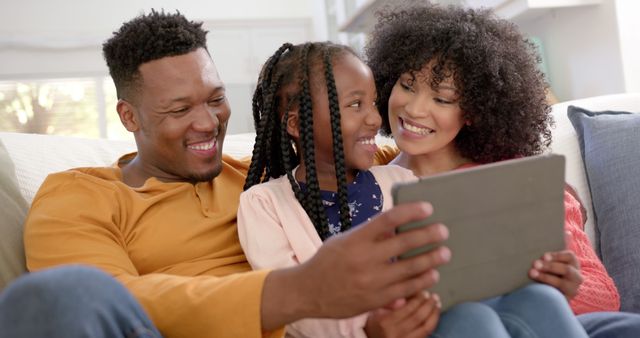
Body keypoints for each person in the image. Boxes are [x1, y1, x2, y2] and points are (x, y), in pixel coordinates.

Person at [18, 10, 453, 338]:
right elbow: (105, 299)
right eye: (180, 109)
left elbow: (421, 157)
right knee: (56, 293)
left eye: (215, 98)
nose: (208, 122)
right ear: (129, 117)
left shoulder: (268, 172)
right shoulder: (78, 196)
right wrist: (298, 290)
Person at [237, 41, 590, 337]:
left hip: (438, 311)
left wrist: (530, 270)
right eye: (355, 105)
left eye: (373, 103)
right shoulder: (264, 204)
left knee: (540, 299)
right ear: (298, 124)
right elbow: (291, 305)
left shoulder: (400, 181)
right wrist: (367, 329)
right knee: (472, 320)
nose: (375, 120)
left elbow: (456, 263)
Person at [364, 3, 640, 337]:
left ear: (474, 112)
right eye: (407, 85)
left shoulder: (519, 178)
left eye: (443, 99)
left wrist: (567, 286)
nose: (414, 108)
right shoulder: (365, 186)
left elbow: (603, 300)